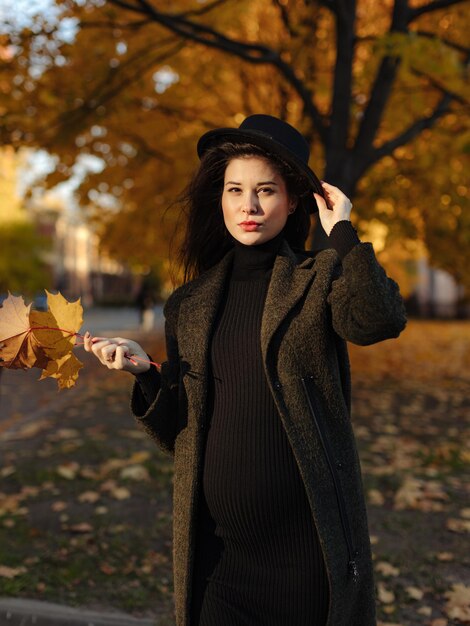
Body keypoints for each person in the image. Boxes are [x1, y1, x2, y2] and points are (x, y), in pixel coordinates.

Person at [84, 114, 407, 626]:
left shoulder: (316, 278)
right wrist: (146, 374)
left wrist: (341, 229)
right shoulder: (188, 304)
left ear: (295, 199)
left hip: (305, 557)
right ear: (221, 198)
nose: (248, 206)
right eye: (235, 190)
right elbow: (180, 434)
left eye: (265, 191)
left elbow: (378, 320)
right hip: (219, 561)